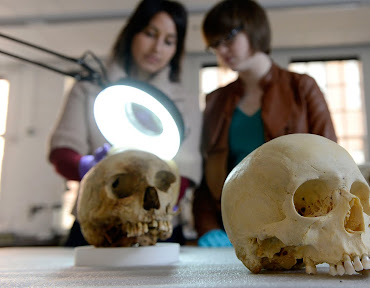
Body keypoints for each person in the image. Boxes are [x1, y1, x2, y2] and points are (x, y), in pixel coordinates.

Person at [48, 0, 201, 246]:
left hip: (159, 227)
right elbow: (62, 152)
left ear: (176, 49)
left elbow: (186, 171)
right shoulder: (91, 87)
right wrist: (86, 167)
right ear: (132, 33)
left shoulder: (186, 101)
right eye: (150, 34)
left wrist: (157, 197)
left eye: (169, 41)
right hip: (97, 223)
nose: (157, 48)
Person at [193, 0, 337, 247]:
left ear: (254, 29)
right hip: (234, 228)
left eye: (228, 38)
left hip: (298, 223)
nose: (222, 50)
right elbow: (206, 176)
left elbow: (333, 164)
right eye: (215, 45)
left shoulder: (301, 88)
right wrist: (208, 228)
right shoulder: (216, 101)